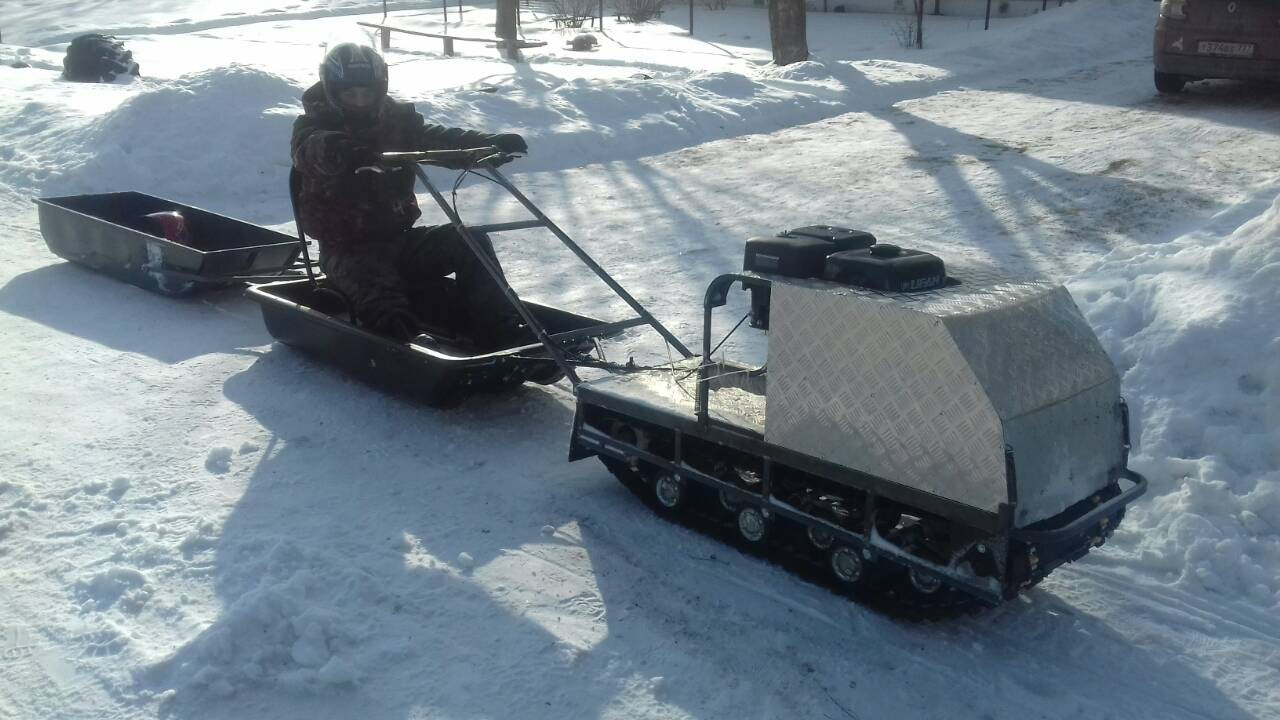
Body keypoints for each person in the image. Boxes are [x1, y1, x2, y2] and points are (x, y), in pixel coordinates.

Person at [291, 43, 530, 347]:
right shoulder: (313, 125)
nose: (360, 102)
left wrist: (487, 143)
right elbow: (311, 148)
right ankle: (407, 347)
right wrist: (346, 151)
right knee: (384, 300)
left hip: (400, 240)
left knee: (470, 241)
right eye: (351, 95)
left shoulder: (396, 121)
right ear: (332, 93)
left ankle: (500, 330)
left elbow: (437, 140)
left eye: (367, 94)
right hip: (347, 251)